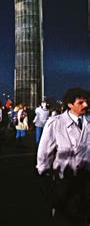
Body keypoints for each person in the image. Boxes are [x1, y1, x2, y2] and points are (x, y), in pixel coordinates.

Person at [36, 87, 89, 225]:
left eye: (86, 102)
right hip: (64, 180)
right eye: (81, 103)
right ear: (70, 105)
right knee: (65, 217)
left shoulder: (88, 123)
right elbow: (44, 153)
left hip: (86, 180)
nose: (86, 105)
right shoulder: (55, 123)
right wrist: (44, 176)